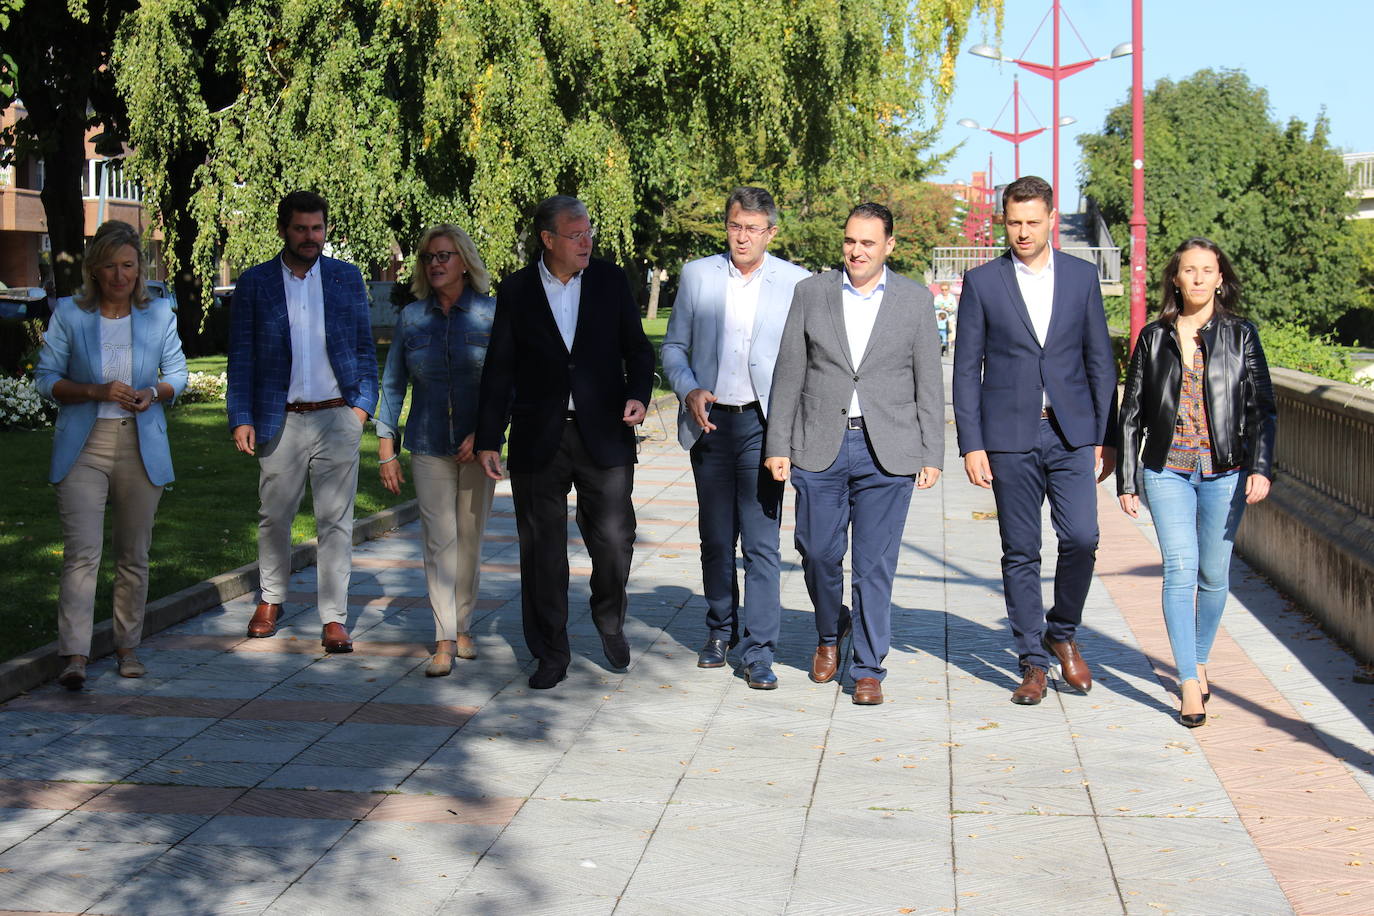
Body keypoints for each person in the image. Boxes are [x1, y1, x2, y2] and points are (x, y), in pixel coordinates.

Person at [764, 203, 944, 706]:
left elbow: (928, 380)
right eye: (850, 241)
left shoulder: (913, 300)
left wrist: (933, 451)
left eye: (868, 242)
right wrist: (777, 443)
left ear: (889, 245)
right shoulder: (811, 294)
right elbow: (789, 373)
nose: (857, 250)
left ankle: (867, 666)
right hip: (819, 443)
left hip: (888, 449)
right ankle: (829, 632)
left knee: (874, 566)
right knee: (817, 552)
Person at [475, 195, 655, 690]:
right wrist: (489, 436)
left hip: (605, 434)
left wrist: (639, 394)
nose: (586, 241)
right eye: (576, 235)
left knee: (615, 540)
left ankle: (609, 615)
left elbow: (638, 349)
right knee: (543, 552)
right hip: (539, 437)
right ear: (548, 239)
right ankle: (550, 652)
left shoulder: (611, 280)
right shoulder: (517, 290)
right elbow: (500, 368)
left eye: (589, 232)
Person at [952, 175, 1117, 706]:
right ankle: (1032, 662)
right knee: (1021, 551)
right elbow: (964, 370)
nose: (1022, 232)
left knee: (1082, 539)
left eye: (1032, 222)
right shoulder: (983, 282)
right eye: (1014, 222)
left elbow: (1100, 361)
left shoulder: (1080, 278)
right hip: (1008, 436)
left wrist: (1106, 435)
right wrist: (971, 444)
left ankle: (1062, 630)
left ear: (1051, 220)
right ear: (1005, 221)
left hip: (1071, 432)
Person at [1117, 237, 1277, 727]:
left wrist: (1262, 467)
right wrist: (1127, 478)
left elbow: (1262, 408)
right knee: (1180, 570)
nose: (1200, 278)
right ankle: (1188, 680)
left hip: (1225, 471)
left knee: (1213, 575)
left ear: (1220, 278)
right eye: (1190, 270)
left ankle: (1200, 657)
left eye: (1208, 270)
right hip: (1166, 469)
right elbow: (1132, 413)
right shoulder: (1154, 336)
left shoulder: (1241, 335)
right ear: (1177, 278)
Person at [660, 187, 810, 687]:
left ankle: (760, 647)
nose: (741, 237)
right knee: (716, 538)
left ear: (771, 232)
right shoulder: (698, 275)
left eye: (752, 228)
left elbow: (805, 362)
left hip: (765, 426)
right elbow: (675, 346)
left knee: (762, 541)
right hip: (711, 422)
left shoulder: (796, 282)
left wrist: (790, 431)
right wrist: (688, 390)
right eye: (733, 226)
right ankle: (720, 629)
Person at [34, 220, 188, 689]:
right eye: (110, 266)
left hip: (141, 445)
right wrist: (93, 389)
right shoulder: (70, 315)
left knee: (133, 554)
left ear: (140, 268)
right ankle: (75, 656)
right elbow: (45, 379)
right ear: (94, 270)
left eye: (128, 265)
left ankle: (127, 647)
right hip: (84, 446)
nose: (120, 275)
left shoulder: (160, 313)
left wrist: (153, 392)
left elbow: (178, 373)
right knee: (82, 553)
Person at [227, 191, 378, 653]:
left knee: (336, 521)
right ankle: (271, 600)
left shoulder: (345, 279)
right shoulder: (255, 283)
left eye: (317, 228)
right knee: (275, 517)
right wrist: (241, 417)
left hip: (337, 415)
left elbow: (365, 348)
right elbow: (242, 357)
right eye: (301, 229)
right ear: (283, 230)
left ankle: (334, 617)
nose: (311, 237)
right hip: (282, 419)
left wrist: (361, 410)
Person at [375, 225, 498, 677]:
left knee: (469, 541)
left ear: (464, 261)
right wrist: (386, 448)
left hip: (478, 449)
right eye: (429, 257)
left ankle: (463, 624)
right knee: (438, 542)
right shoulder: (412, 319)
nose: (436, 264)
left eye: (445, 256)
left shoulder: (490, 315)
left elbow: (505, 384)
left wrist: (486, 434)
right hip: (427, 443)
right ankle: (445, 636)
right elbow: (392, 386)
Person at [934, 281, 958, 352]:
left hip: (949, 317)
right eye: (942, 289)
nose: (944, 291)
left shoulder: (952, 297)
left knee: (952, 332)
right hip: (940, 318)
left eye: (946, 289)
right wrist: (941, 307)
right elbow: (935, 305)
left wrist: (950, 309)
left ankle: (947, 343)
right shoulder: (938, 297)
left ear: (949, 289)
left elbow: (954, 307)